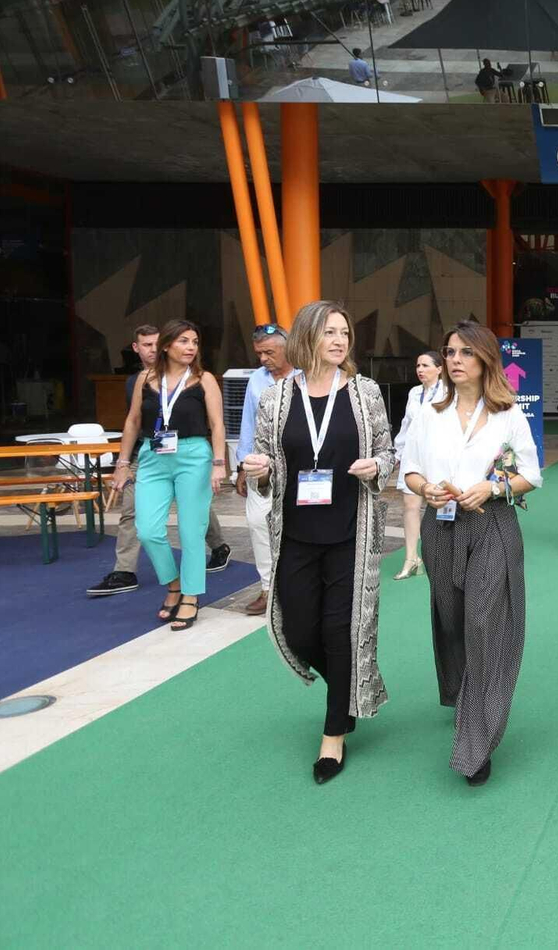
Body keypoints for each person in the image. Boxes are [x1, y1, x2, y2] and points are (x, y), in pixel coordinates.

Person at [240, 300, 397, 785]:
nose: (339, 340)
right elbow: (265, 462)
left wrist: (377, 468)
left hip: (352, 530)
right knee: (300, 631)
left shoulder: (366, 392)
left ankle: (333, 734)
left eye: (344, 332)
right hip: (296, 535)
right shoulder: (276, 398)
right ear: (307, 337)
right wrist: (259, 471)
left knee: (339, 631)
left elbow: (389, 453)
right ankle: (349, 691)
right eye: (329, 331)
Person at [402, 321, 542, 787]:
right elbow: (411, 471)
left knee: (483, 624)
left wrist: (493, 486)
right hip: (440, 528)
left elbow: (531, 475)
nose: (455, 360)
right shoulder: (428, 413)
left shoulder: (508, 415)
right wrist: (429, 489)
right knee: (453, 620)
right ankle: (463, 694)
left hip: (493, 527)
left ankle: (476, 743)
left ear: (485, 360)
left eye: (465, 352)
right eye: (449, 352)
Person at [88, 324, 230, 599]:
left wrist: (218, 463)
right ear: (166, 345)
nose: (191, 347)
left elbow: (217, 424)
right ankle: (174, 582)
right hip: (153, 457)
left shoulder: (204, 379)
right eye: (184, 341)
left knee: (191, 533)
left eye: (195, 342)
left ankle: (190, 595)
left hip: (193, 457)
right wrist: (122, 464)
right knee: (148, 530)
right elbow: (132, 422)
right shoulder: (145, 378)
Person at [234, 323, 296, 615]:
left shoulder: (307, 375)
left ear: (288, 348)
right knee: (258, 522)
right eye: (259, 353)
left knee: (298, 527)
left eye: (269, 352)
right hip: (261, 463)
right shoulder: (257, 380)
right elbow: (248, 422)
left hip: (300, 464)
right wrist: (242, 465)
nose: (263, 359)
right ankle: (268, 589)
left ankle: (298, 588)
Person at [392, 350, 444, 578]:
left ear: (439, 368)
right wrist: (396, 452)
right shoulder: (414, 393)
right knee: (410, 507)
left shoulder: (449, 392)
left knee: (440, 507)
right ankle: (411, 559)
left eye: (425, 365)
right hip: (413, 456)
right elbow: (406, 425)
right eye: (418, 366)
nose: (420, 370)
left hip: (437, 456)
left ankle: (442, 556)